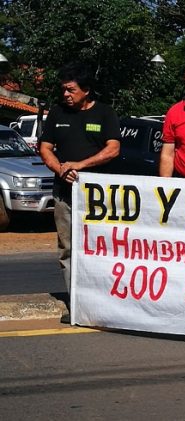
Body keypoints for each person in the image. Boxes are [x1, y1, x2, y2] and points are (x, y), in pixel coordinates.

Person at [39, 63, 121, 293]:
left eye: (71, 89)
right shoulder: (57, 112)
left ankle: (102, 296)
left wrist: (80, 166)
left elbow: (113, 149)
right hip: (64, 195)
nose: (66, 94)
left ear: (86, 90)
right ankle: (74, 300)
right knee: (67, 247)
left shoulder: (105, 113)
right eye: (63, 89)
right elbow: (45, 148)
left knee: (100, 246)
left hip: (98, 196)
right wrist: (61, 169)